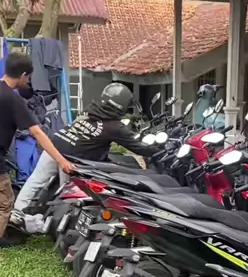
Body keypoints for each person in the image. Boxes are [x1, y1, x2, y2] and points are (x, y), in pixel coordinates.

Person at [14, 82, 153, 214]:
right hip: (70, 160)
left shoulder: (90, 110)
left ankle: (16, 213)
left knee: (35, 181)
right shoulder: (115, 127)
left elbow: (90, 140)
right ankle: (58, 222)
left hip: (55, 146)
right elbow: (138, 148)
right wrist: (159, 150)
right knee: (67, 196)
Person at [0, 51, 73, 243]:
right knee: (5, 203)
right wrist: (61, 161)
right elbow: (37, 133)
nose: (28, 82)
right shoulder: (13, 100)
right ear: (23, 74)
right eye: (29, 78)